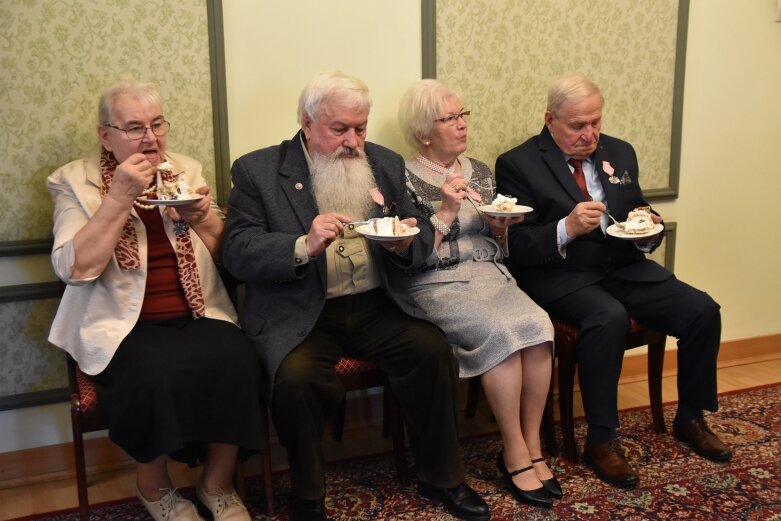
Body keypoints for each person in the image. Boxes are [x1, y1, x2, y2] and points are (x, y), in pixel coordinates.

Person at [222, 71, 490, 521]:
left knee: (431, 352)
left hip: (375, 305)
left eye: (360, 128)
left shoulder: (383, 162)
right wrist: (301, 245)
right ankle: (307, 494)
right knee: (296, 378)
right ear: (307, 123)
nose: (352, 141)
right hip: (303, 311)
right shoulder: (258, 170)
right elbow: (237, 251)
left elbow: (417, 231)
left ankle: (443, 477)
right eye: (339, 129)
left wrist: (407, 241)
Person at [495, 73, 730, 488]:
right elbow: (515, 245)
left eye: (596, 122)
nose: (590, 134)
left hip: (625, 267)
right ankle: (601, 440)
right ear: (550, 119)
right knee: (608, 319)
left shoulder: (620, 152)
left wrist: (648, 225)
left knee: (701, 310)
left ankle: (691, 416)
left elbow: (635, 207)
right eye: (578, 125)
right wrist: (566, 227)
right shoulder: (518, 163)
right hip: (562, 275)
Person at [47, 78, 263, 521]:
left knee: (241, 358)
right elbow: (73, 268)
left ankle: (216, 485)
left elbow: (231, 257)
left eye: (157, 123)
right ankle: (154, 487)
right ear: (105, 135)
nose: (150, 137)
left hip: (198, 312)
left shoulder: (186, 170)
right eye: (133, 127)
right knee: (153, 371)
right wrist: (119, 198)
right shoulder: (74, 181)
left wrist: (202, 218)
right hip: (121, 325)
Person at [397, 79, 558, 507]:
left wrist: (500, 230)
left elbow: (497, 242)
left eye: (462, 115)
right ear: (423, 132)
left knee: (538, 327)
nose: (461, 125)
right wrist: (447, 210)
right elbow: (413, 252)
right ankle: (514, 451)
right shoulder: (403, 178)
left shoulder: (480, 171)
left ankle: (532, 443)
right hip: (437, 281)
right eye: (449, 118)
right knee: (502, 332)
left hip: (490, 273)